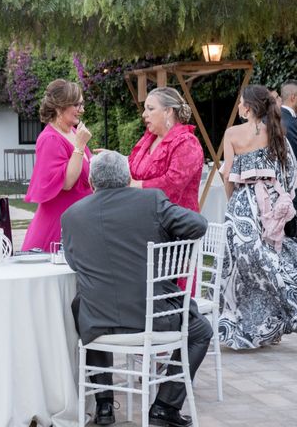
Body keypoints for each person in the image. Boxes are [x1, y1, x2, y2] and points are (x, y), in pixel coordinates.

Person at [62, 150, 211, 427]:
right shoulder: (151, 201)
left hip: (98, 322)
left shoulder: (71, 216)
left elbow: (72, 261)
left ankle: (105, 405)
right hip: (153, 317)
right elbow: (198, 225)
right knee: (201, 330)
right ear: (129, 177)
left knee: (85, 304)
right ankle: (165, 406)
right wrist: (167, 241)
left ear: (92, 183)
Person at [219, 84, 297, 349]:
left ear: (248, 107)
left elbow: (228, 174)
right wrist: (283, 198)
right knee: (268, 259)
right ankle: (272, 320)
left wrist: (234, 205)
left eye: (241, 102)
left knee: (240, 269)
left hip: (243, 204)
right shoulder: (275, 131)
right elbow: (289, 171)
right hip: (271, 206)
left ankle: (243, 325)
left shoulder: (232, 133)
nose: (239, 106)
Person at [21, 79, 93, 252]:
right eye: (76, 104)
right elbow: (67, 182)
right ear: (60, 107)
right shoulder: (50, 139)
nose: (81, 110)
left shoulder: (73, 132)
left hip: (78, 221)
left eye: (81, 104)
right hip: (59, 225)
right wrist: (80, 146)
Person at [128, 87, 203, 212]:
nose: (144, 114)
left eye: (150, 109)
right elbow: (131, 170)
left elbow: (173, 185)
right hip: (145, 218)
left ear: (168, 111)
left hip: (176, 223)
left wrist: (136, 185)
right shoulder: (148, 139)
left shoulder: (187, 143)